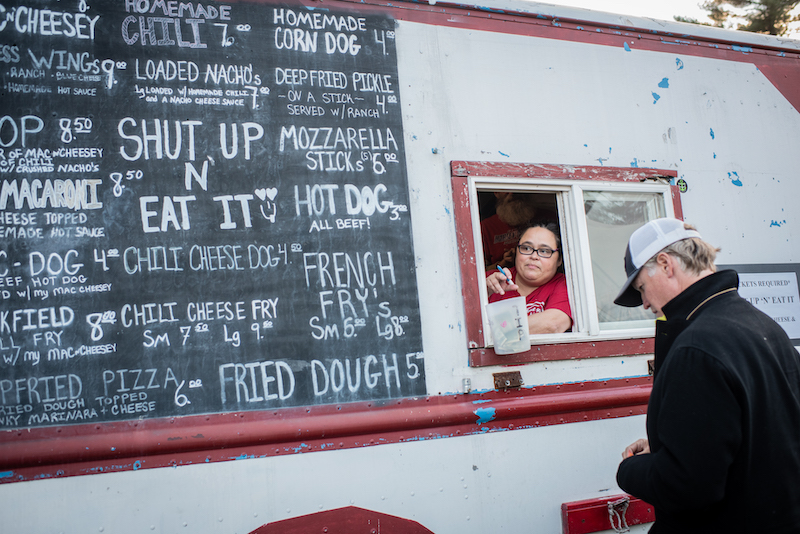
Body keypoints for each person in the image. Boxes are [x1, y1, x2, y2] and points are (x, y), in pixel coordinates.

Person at [614, 217, 800, 534]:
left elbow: (686, 486)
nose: (644, 303)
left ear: (665, 263)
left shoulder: (695, 348)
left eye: (642, 288)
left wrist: (629, 470)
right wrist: (668, 445)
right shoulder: (764, 325)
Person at [485, 221, 572, 334]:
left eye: (544, 251)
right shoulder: (491, 280)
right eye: (526, 248)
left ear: (559, 259)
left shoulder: (565, 284)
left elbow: (553, 324)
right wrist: (484, 293)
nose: (534, 256)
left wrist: (492, 333)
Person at [481, 192, 539, 269]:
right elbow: (480, 272)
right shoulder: (485, 226)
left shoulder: (546, 217)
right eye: (506, 188)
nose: (512, 192)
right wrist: (504, 262)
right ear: (496, 193)